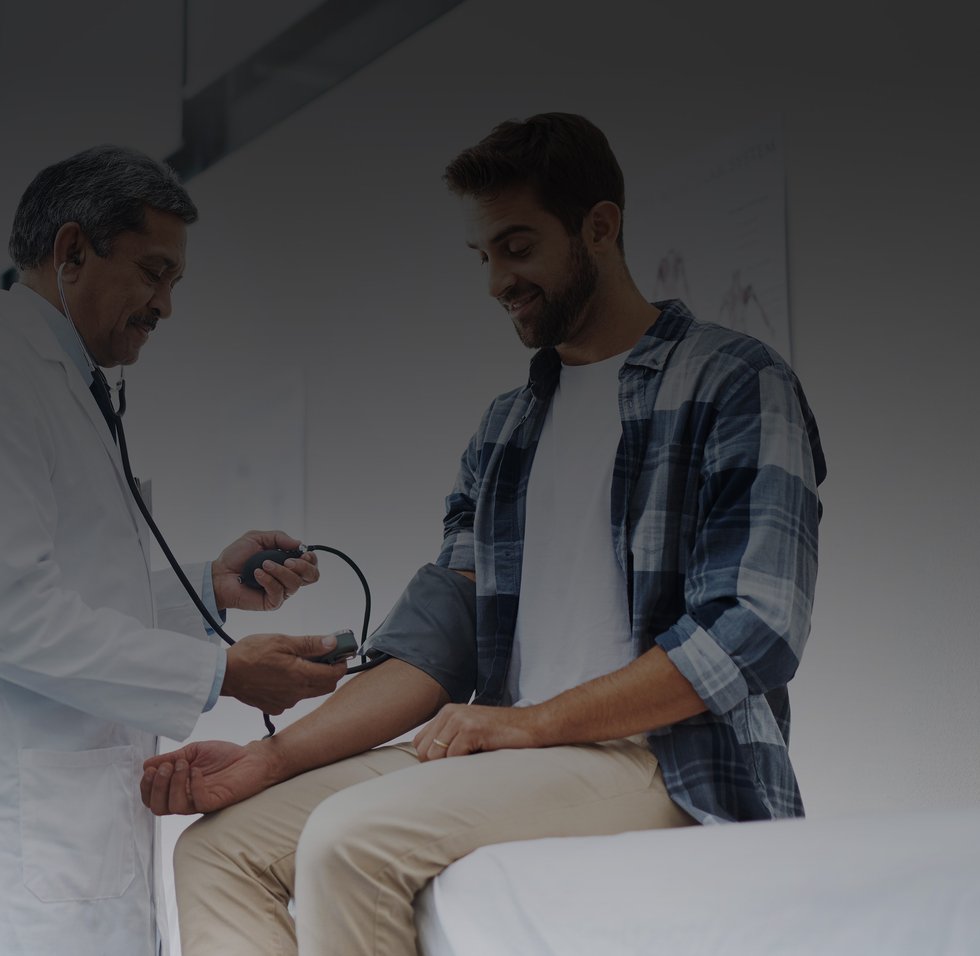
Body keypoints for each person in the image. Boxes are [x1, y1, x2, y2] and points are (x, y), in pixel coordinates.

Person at [141, 112, 827, 955]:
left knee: (349, 842)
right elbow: (437, 645)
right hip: (519, 750)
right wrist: (266, 763)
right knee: (218, 852)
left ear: (600, 228)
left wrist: (531, 725)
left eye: (517, 246)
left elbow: (752, 631)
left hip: (667, 760)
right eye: (483, 256)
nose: (497, 280)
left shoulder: (735, 383)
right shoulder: (508, 431)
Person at [0, 144, 350, 956]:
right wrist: (224, 672)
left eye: (175, 283)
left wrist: (207, 589)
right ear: (72, 250)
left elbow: (66, 596)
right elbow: (5, 616)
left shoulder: (60, 386)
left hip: (55, 828)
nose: (165, 305)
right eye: (153, 273)